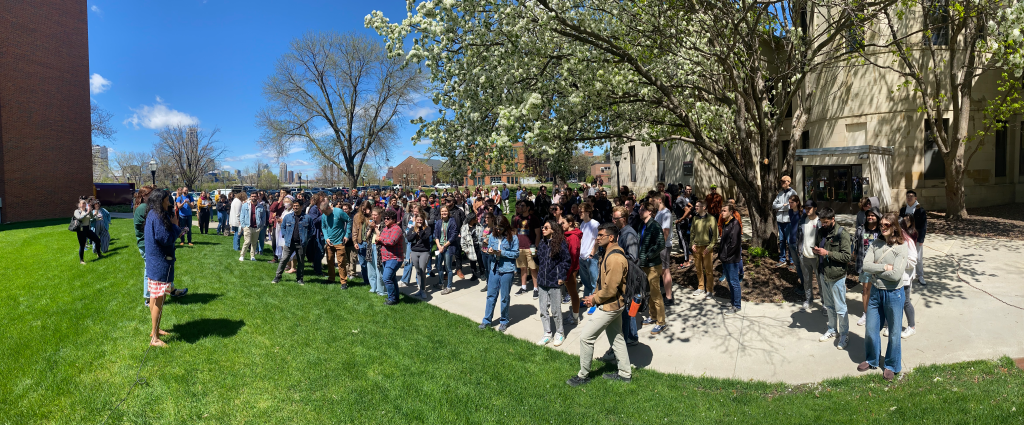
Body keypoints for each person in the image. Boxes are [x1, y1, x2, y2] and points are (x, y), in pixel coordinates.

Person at [567, 223, 632, 386]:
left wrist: (594, 299)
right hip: (611, 303)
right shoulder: (607, 253)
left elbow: (610, 289)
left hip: (611, 306)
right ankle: (625, 374)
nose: (597, 238)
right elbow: (602, 281)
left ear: (611, 237)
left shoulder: (616, 258)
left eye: (600, 235)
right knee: (617, 338)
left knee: (586, 338)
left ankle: (583, 376)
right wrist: (594, 295)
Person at [858, 212, 910, 381]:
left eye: (887, 225)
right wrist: (884, 268)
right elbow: (866, 266)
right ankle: (872, 359)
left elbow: (896, 276)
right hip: (876, 293)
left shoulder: (902, 247)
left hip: (894, 294)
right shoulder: (876, 243)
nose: (883, 227)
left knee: (894, 332)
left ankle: (891, 365)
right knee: (871, 329)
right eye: (881, 225)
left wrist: (876, 270)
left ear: (895, 227)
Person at [144, 189, 181, 347]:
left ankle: (155, 330)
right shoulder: (158, 216)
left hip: (154, 263)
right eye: (167, 200)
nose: (170, 202)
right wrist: (175, 227)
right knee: (159, 299)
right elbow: (165, 238)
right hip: (160, 264)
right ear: (161, 201)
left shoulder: (152, 213)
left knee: (154, 297)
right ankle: (155, 339)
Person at [814, 207, 853, 351]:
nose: (823, 225)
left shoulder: (842, 234)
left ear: (833, 219)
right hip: (823, 273)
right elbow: (820, 248)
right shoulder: (820, 232)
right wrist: (817, 251)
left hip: (837, 276)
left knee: (841, 308)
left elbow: (846, 257)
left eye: (825, 222)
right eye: (821, 222)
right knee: (829, 306)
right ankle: (832, 329)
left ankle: (844, 334)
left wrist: (827, 253)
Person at [480, 216, 520, 332]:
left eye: (500, 228)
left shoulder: (513, 238)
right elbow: (489, 249)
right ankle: (486, 320)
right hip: (494, 268)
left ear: (506, 227)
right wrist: (489, 251)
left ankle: (504, 321)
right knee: (491, 295)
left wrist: (502, 253)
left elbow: (516, 254)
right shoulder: (492, 236)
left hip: (507, 269)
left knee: (504, 297)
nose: (498, 230)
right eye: (496, 228)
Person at [536, 220, 570, 346]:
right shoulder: (543, 242)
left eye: (546, 227)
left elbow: (566, 261)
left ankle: (560, 333)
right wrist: (534, 256)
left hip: (554, 281)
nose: (543, 229)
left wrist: (561, 275)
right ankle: (547, 333)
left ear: (553, 230)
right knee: (543, 309)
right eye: (542, 227)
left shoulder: (560, 244)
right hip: (542, 281)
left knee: (556, 310)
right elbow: (540, 260)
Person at [637, 200, 667, 334]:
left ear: (649, 212)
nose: (639, 211)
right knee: (648, 293)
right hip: (644, 264)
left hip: (653, 265)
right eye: (639, 209)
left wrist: (649, 255)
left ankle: (661, 322)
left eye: (642, 209)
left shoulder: (654, 226)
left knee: (656, 294)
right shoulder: (642, 226)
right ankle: (652, 316)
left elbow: (661, 244)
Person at [854, 207, 882, 326]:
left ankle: (880, 313)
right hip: (865, 265)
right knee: (865, 289)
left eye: (873, 215)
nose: (870, 217)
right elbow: (856, 246)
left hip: (879, 265)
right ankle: (866, 313)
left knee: (879, 290)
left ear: (877, 217)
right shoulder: (861, 229)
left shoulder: (882, 230)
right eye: (869, 215)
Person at [272, 201, 310, 285]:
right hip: (289, 243)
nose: (295, 207)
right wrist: (285, 235)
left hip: (301, 243)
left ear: (301, 206)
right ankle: (277, 277)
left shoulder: (307, 218)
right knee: (284, 259)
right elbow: (283, 226)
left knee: (300, 261)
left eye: (297, 206)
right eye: (294, 206)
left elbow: (312, 229)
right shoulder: (288, 217)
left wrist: (306, 238)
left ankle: (300, 279)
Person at [794, 200, 820, 312]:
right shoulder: (802, 221)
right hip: (804, 255)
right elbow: (798, 236)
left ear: (815, 208)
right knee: (806, 280)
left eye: (810, 208)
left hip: (817, 257)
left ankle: (824, 303)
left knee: (821, 281)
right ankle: (809, 300)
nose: (807, 210)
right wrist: (799, 251)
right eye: (806, 208)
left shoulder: (820, 221)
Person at [896, 215, 919, 339]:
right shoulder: (893, 240)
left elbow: (912, 262)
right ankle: (894, 325)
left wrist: (897, 262)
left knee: (905, 302)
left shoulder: (908, 241)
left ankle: (912, 327)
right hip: (894, 277)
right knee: (895, 302)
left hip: (904, 278)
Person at [718, 204, 744, 314]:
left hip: (732, 259)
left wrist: (726, 256)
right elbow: (723, 242)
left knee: (734, 282)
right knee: (729, 281)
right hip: (725, 258)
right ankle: (732, 301)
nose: (722, 213)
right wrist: (721, 255)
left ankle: (737, 305)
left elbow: (734, 244)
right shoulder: (725, 224)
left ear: (731, 212)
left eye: (724, 211)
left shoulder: (735, 224)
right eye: (721, 211)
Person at [689, 200, 717, 298]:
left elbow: (715, 236)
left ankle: (709, 290)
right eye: (695, 206)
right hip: (696, 247)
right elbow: (692, 232)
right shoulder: (695, 218)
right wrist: (692, 244)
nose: (695, 207)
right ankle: (700, 287)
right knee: (698, 269)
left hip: (707, 248)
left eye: (698, 206)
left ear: (704, 207)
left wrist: (709, 247)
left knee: (708, 270)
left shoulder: (711, 218)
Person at [377, 209, 405, 305]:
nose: (385, 220)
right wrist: (379, 239)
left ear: (393, 219)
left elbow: (391, 241)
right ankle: (395, 297)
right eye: (384, 218)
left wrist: (380, 239)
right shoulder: (385, 229)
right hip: (386, 258)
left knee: (386, 278)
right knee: (392, 278)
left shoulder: (396, 229)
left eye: (388, 218)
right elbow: (383, 239)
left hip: (394, 258)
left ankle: (392, 298)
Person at [322, 198, 351, 288]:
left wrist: (347, 235)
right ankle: (331, 278)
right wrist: (326, 238)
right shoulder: (324, 215)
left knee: (341, 263)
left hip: (339, 241)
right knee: (330, 261)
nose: (324, 214)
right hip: (329, 243)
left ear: (328, 208)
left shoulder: (339, 212)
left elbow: (349, 220)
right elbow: (323, 227)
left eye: (325, 212)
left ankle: (343, 282)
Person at [900, 190, 927, 286]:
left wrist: (921, 239)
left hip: (916, 237)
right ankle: (906, 275)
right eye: (907, 196)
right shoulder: (903, 209)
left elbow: (924, 226)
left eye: (911, 196)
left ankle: (920, 276)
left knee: (918, 257)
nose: (909, 198)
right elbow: (900, 222)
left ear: (915, 198)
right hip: (905, 237)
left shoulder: (920, 210)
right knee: (905, 256)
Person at [653, 192, 675, 306]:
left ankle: (669, 297)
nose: (653, 203)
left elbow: (665, 231)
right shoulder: (659, 213)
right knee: (662, 271)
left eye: (654, 200)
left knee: (665, 270)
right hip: (660, 245)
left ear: (659, 200)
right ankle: (667, 293)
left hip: (664, 246)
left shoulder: (666, 213)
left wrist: (659, 246)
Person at [513, 203, 540, 296]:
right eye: (520, 205)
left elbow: (538, 234)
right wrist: (515, 246)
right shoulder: (517, 219)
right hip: (520, 248)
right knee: (523, 268)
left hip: (530, 248)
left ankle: (536, 288)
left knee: (533, 268)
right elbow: (515, 233)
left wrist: (535, 247)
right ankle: (523, 287)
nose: (521, 207)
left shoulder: (533, 218)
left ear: (528, 207)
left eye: (523, 205)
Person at [560, 214, 583, 324]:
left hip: (571, 269)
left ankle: (575, 317)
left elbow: (573, 256)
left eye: (563, 223)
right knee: (571, 292)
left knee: (573, 293)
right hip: (567, 268)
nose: (561, 225)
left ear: (570, 223)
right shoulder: (566, 235)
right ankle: (574, 314)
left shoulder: (573, 237)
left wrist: (567, 272)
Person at [434, 205, 460, 295]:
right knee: (438, 266)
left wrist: (444, 246)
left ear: (448, 212)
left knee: (448, 268)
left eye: (445, 211)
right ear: (440, 213)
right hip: (439, 247)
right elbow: (436, 235)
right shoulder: (438, 222)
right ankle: (441, 283)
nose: (444, 213)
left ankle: (449, 287)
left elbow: (453, 236)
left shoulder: (452, 222)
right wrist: (439, 246)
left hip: (448, 247)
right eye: (442, 211)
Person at [406, 211, 433, 298]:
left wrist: (420, 230)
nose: (419, 222)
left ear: (423, 220)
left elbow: (425, 238)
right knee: (418, 271)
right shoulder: (412, 229)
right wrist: (415, 232)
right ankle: (420, 290)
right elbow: (409, 239)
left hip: (424, 252)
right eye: (418, 220)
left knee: (422, 271)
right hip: (414, 251)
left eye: (421, 220)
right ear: (415, 221)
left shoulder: (427, 229)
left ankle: (423, 290)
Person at [772, 176, 797, 267]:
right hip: (779, 220)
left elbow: (791, 206)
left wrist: (781, 208)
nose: (782, 183)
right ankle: (782, 259)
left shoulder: (793, 193)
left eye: (783, 181)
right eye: (781, 181)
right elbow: (774, 205)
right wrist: (783, 205)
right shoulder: (780, 193)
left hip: (788, 220)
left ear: (789, 182)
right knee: (782, 240)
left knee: (790, 241)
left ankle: (792, 260)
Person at [577, 203, 600, 303]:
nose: (579, 214)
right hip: (581, 257)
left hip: (591, 258)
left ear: (588, 212)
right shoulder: (582, 224)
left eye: (581, 211)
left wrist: (592, 254)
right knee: (586, 282)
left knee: (594, 281)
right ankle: (587, 300)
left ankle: (595, 301)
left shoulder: (595, 224)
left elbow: (597, 240)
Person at [73, 198, 103, 264]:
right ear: (80, 205)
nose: (84, 204)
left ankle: (99, 254)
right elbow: (79, 218)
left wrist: (91, 212)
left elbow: (92, 218)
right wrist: (87, 213)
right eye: (82, 203)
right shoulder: (77, 211)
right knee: (82, 245)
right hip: (81, 230)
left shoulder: (87, 210)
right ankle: (81, 260)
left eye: (85, 203)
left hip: (88, 229)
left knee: (97, 240)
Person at [673, 185, 694, 268]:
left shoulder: (679, 200)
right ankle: (688, 258)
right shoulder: (681, 198)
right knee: (684, 241)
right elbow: (690, 206)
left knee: (684, 242)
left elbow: (688, 209)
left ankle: (686, 261)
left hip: (681, 224)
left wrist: (680, 219)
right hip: (684, 222)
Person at [366, 207, 385, 296]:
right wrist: (370, 228)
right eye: (372, 215)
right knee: (371, 269)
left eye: (375, 215)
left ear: (380, 215)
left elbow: (383, 236)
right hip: (370, 247)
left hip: (379, 249)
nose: (373, 217)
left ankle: (380, 290)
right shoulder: (370, 223)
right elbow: (366, 236)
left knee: (379, 270)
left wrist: (376, 228)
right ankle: (373, 287)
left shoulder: (384, 224)